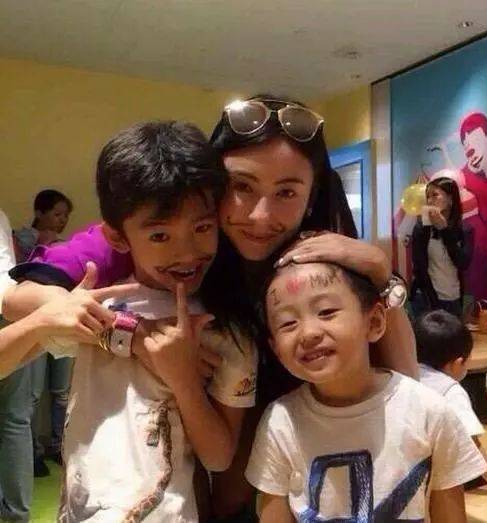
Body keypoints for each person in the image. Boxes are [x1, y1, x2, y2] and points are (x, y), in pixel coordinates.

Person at [3, 96, 417, 520]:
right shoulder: (156, 235)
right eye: (242, 187)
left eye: (287, 192)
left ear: (312, 197)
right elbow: (20, 299)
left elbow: (405, 388)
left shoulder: (319, 260)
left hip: (314, 473)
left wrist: (379, 272)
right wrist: (139, 336)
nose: (260, 215)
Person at [10, 121, 258, 522]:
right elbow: (14, 314)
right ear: (117, 238)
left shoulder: (223, 329)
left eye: (202, 227)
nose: (187, 252)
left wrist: (182, 379)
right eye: (160, 236)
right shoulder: (101, 303)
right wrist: (48, 321)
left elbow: (218, 457)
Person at [245, 251, 487, 521]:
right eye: (288, 323)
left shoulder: (430, 412)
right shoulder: (280, 421)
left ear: (374, 322)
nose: (309, 332)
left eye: (326, 312)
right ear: (276, 350)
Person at [13, 189, 74, 476]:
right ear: (40, 212)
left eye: (65, 215)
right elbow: (14, 276)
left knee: (61, 390)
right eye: (57, 213)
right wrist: (39, 244)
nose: (62, 220)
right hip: (34, 322)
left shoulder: (67, 245)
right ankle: (33, 451)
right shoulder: (21, 238)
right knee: (32, 395)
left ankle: (60, 446)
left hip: (63, 321)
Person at [417, 310, 487, 494]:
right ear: (457, 363)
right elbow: (473, 444)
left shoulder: (406, 376)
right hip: (438, 479)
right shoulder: (451, 391)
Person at [0, 208, 34, 522]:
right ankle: (16, 516)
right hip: (10, 308)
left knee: (15, 420)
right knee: (15, 419)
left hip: (10, 308)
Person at [410, 177, 473, 318]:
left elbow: (463, 263)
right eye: (427, 197)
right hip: (426, 298)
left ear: (450, 199)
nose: (430, 201)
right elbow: (419, 268)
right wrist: (433, 302)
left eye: (435, 195)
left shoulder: (465, 230)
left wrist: (444, 230)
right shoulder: (421, 229)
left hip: (453, 298)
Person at [459, 112, 487, 303]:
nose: (469, 148)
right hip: (484, 240)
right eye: (465, 144)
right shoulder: (465, 178)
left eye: (474, 139)